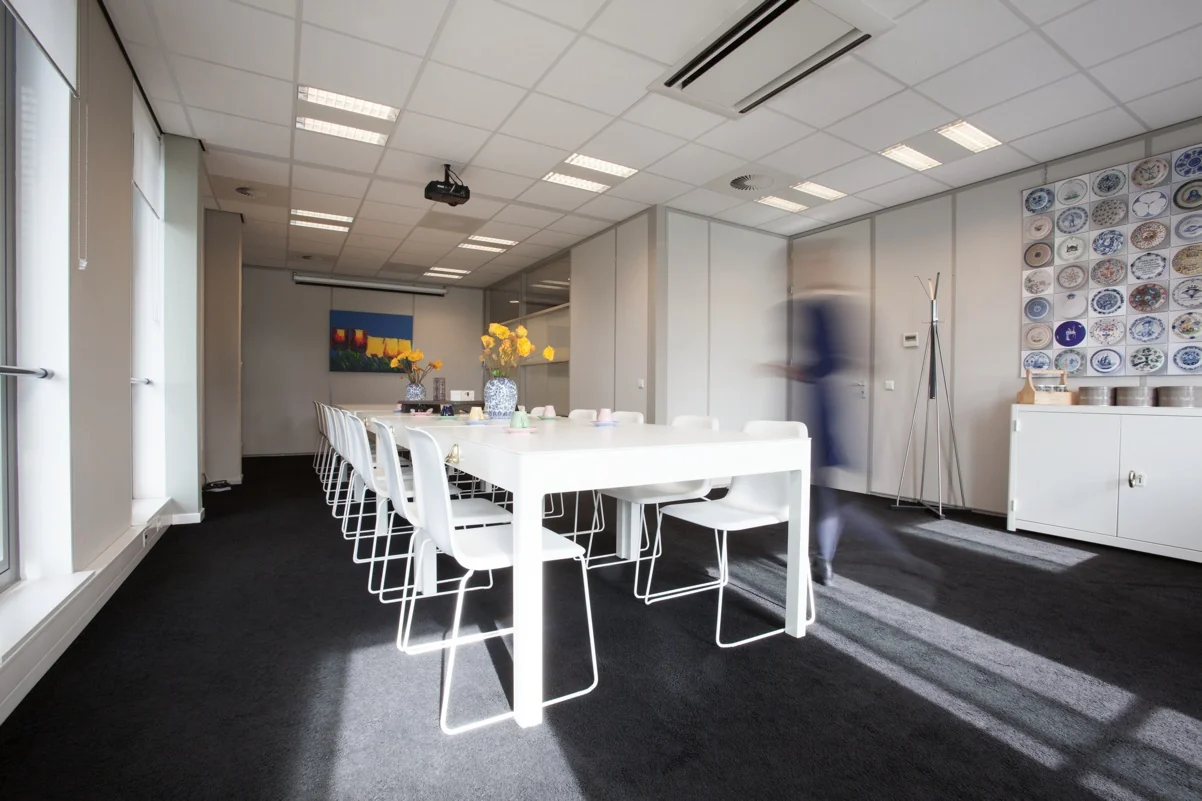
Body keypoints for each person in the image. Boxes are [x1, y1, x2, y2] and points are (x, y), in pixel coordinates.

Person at [782, 288, 915, 585]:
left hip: (828, 417)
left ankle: (829, 559)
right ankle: (824, 559)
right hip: (828, 416)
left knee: (830, 496)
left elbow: (822, 366)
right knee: (828, 495)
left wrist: (784, 369)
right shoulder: (832, 316)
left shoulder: (826, 316)